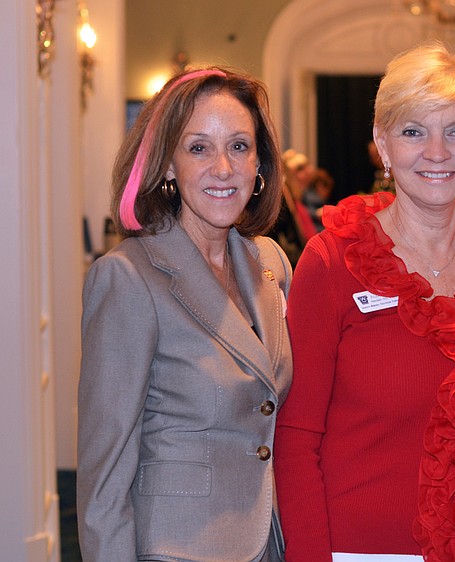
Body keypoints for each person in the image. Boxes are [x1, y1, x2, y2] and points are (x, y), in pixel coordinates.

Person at [274, 41, 455, 562]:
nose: (437, 151)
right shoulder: (334, 262)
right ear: (382, 143)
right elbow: (296, 437)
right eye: (412, 131)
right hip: (362, 551)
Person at [77, 67, 293, 562]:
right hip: (179, 549)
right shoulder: (127, 279)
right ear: (167, 164)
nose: (223, 167)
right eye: (198, 148)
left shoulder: (270, 264)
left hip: (271, 542)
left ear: (259, 163)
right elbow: (103, 474)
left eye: (239, 146)